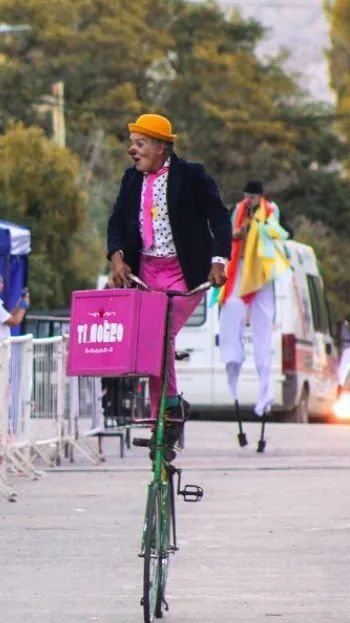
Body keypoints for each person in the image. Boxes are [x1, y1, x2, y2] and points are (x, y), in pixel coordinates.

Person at [107, 113, 230, 447]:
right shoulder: (131, 180)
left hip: (184, 271)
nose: (132, 150)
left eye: (140, 144)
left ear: (161, 147)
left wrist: (218, 262)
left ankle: (169, 411)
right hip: (146, 271)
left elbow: (220, 219)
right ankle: (167, 416)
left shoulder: (192, 175)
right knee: (151, 339)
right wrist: (117, 257)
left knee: (161, 335)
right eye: (132, 143)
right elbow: (116, 222)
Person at [218, 181, 291, 448]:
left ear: (261, 196)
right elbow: (226, 234)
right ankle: (233, 372)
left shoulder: (271, 209)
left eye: (253, 196)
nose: (249, 200)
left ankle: (265, 395)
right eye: (246, 195)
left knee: (262, 336)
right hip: (238, 271)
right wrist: (238, 232)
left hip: (260, 276)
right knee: (231, 316)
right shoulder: (237, 210)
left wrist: (261, 228)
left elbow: (282, 233)